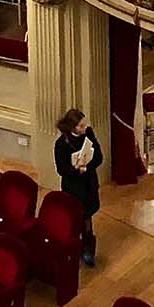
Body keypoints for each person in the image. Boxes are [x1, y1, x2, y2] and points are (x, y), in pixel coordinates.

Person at [53, 107, 103, 267]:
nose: (85, 127)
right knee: (75, 218)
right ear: (73, 127)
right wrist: (76, 169)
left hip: (88, 183)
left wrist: (86, 167)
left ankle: (88, 249)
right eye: (81, 126)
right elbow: (61, 169)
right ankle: (74, 247)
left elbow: (99, 157)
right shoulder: (62, 144)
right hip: (73, 187)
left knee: (87, 218)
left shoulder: (89, 134)